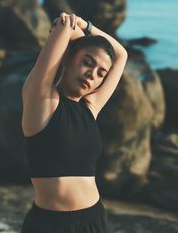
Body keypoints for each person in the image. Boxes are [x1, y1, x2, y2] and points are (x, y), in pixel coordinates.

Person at [20, 12, 128, 232]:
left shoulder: (90, 108)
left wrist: (86, 25)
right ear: (67, 59)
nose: (91, 75)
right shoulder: (42, 99)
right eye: (87, 63)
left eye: (100, 73)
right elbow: (63, 28)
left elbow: (121, 55)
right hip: (50, 225)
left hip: (94, 220)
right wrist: (72, 26)